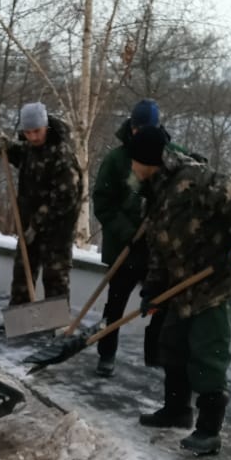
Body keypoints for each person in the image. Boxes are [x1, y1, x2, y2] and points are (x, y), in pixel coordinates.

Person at [130, 125, 231, 455]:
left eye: (135, 161)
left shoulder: (196, 178)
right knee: (172, 346)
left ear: (148, 160)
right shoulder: (155, 194)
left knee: (208, 356)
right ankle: (177, 411)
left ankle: (208, 431)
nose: (131, 168)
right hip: (181, 287)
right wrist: (154, 290)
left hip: (213, 283)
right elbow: (159, 249)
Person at [92, 98, 205, 378]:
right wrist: (127, 232)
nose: (139, 134)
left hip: (160, 250)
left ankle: (155, 356)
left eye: (146, 129)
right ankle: (106, 354)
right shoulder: (117, 160)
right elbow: (104, 203)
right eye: (136, 128)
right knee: (115, 303)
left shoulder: (171, 156)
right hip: (125, 247)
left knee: (160, 302)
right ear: (130, 127)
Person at [0, 102, 82, 330]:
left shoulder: (62, 154)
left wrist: (37, 223)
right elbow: (25, 157)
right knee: (23, 273)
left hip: (57, 228)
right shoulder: (29, 147)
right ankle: (20, 322)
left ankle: (54, 327)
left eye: (36, 131)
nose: (33, 137)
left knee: (55, 277)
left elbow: (65, 199)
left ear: (45, 126)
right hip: (30, 224)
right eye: (27, 132)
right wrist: (8, 148)